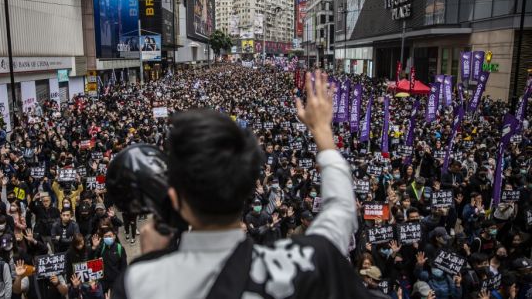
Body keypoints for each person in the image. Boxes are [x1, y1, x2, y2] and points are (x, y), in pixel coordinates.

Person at [113, 71, 368, 298]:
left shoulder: (139, 284)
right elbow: (341, 212)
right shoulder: (302, 263)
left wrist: (150, 261)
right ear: (248, 187)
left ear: (175, 197)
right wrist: (322, 131)